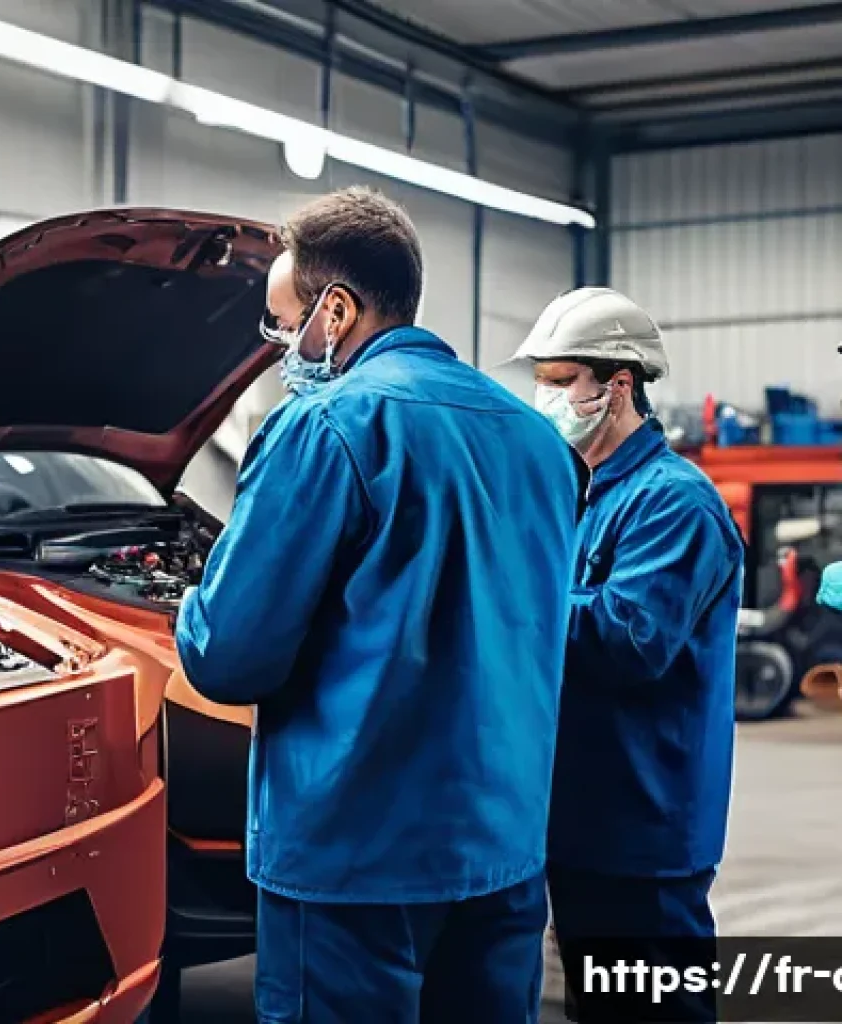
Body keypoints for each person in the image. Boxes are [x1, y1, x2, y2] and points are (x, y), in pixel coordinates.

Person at [174, 186, 587, 1023]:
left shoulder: (327, 427)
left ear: (335, 309)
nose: (282, 346)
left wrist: (189, 599)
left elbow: (230, 656)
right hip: (501, 847)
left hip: (353, 857)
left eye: (284, 324)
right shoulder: (539, 443)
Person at [510, 287, 745, 1022]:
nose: (542, 398)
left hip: (644, 830)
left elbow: (628, 642)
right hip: (582, 818)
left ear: (616, 387)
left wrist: (510, 597)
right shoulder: (583, 496)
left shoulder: (674, 503)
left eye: (557, 383)